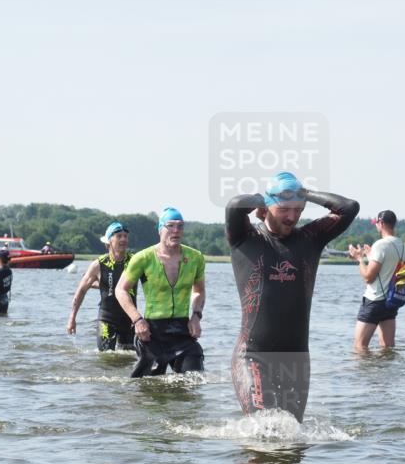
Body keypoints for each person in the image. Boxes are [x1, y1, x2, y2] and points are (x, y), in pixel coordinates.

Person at [225, 171, 359, 422]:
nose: (292, 217)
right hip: (253, 355)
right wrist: (261, 198)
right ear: (267, 207)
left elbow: (348, 208)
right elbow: (234, 206)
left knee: (292, 438)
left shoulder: (310, 239)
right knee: (262, 429)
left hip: (296, 358)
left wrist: (305, 192)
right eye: (285, 209)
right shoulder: (246, 238)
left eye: (299, 210)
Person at [115, 208, 205, 377]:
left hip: (182, 330)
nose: (176, 231)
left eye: (180, 226)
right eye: (170, 226)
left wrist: (196, 316)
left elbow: (199, 291)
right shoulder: (143, 258)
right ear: (160, 229)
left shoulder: (195, 258)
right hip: (152, 332)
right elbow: (121, 290)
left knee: (195, 380)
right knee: (148, 389)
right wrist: (137, 320)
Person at [67, 221, 136, 351]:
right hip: (107, 319)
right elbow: (81, 291)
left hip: (129, 318)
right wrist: (72, 318)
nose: (123, 239)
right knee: (106, 357)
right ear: (109, 241)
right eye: (119, 236)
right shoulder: (98, 265)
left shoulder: (134, 262)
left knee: (128, 358)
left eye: (125, 236)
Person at [347, 209, 405, 351]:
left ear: (381, 223)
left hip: (374, 301)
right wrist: (370, 256)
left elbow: (368, 277)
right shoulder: (403, 245)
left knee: (359, 347)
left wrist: (359, 259)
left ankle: (364, 374)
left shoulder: (380, 245)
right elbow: (395, 271)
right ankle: (386, 373)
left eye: (376, 223)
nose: (376, 226)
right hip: (392, 301)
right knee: (388, 347)